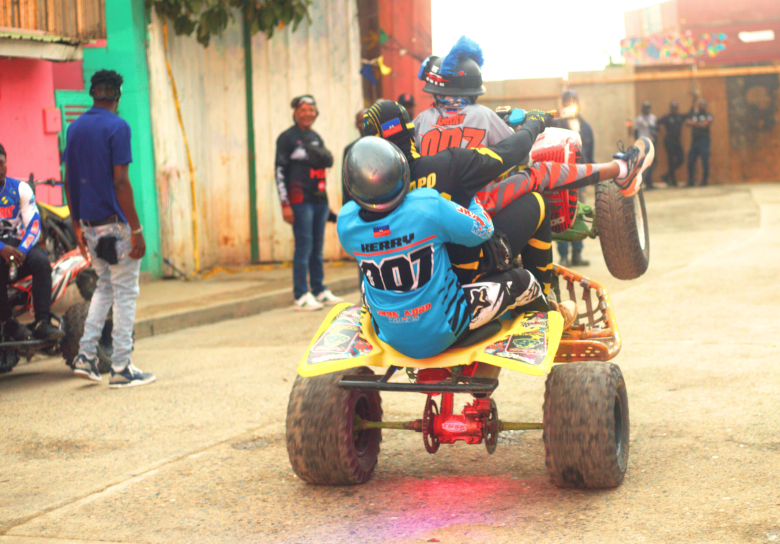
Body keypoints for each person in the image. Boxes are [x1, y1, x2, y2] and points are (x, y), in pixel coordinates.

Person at [363, 100, 653, 299]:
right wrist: (534, 123)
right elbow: (512, 153)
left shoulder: (361, 202)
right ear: (412, 132)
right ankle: (543, 296)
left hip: (401, 296)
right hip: (464, 279)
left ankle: (621, 169)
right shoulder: (448, 166)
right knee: (535, 189)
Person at [338, 136, 564, 359]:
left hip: (390, 334)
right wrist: (469, 197)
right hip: (444, 330)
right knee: (523, 281)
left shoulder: (346, 223)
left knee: (369, 284)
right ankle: (551, 313)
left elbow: (381, 235)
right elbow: (483, 230)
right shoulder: (427, 205)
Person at [62, 69, 155, 388]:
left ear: (92, 94)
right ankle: (121, 367)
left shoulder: (74, 129)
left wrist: (76, 224)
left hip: (89, 226)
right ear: (116, 95)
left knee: (104, 288)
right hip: (115, 227)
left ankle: (86, 356)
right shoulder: (118, 126)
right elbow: (119, 181)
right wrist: (137, 230)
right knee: (126, 292)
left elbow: (68, 180)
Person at [275, 95, 343, 311]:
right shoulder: (286, 138)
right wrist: (285, 204)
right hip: (299, 201)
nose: (308, 113)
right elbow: (279, 171)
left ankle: (318, 290)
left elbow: (324, 169)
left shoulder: (315, 137)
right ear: (295, 112)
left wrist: (328, 203)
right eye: (303, 109)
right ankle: (301, 295)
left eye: (311, 109)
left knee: (316, 248)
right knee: (303, 247)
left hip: (319, 201)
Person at [0, 144, 64, 342]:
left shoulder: (20, 189)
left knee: (41, 262)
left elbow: (34, 225)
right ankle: (8, 323)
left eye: (1, 163)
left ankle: (42, 322)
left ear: (6, 163)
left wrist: (22, 250)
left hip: (19, 248)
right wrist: (2, 249)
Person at [551, 90, 595, 268]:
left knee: (578, 214)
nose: (571, 104)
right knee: (560, 216)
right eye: (567, 101)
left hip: (580, 178)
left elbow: (590, 154)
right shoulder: (556, 125)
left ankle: (577, 253)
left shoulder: (585, 127)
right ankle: (563, 256)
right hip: (561, 178)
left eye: (573, 101)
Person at [342, 108, 368, 206]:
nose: (365, 125)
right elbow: (346, 182)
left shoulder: (384, 146)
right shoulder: (350, 149)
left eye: (368, 121)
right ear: (356, 125)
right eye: (362, 122)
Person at [686, 96, 713, 187]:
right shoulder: (694, 115)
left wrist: (694, 124)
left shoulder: (708, 115)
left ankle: (704, 181)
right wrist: (698, 124)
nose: (701, 106)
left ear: (705, 106)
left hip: (704, 142)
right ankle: (691, 181)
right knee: (690, 161)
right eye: (700, 105)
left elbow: (705, 125)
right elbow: (687, 122)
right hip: (695, 142)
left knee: (705, 161)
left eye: (703, 105)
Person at [657, 100, 685, 187]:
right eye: (673, 108)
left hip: (677, 141)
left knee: (681, 159)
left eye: (676, 108)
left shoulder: (680, 117)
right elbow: (657, 123)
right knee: (671, 161)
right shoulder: (667, 117)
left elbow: (689, 114)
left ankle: (667, 175)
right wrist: (662, 130)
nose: (674, 110)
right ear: (671, 109)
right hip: (669, 141)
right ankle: (673, 181)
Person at [634, 101, 657, 189]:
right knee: (644, 162)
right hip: (643, 143)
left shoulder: (653, 118)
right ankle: (645, 181)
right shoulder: (639, 119)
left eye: (648, 108)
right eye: (645, 108)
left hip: (652, 142)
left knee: (651, 162)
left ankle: (650, 182)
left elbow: (655, 129)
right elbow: (636, 132)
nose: (646, 110)